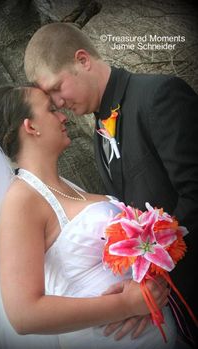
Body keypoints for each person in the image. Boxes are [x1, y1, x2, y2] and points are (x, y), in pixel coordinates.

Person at [23, 22, 198, 341]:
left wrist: (152, 273)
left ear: (83, 60)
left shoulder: (160, 95)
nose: (58, 103)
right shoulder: (99, 133)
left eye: (57, 88)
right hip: (175, 314)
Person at [0, 85, 177, 349]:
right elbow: (24, 314)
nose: (63, 116)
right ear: (31, 127)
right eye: (51, 110)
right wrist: (125, 305)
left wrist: (151, 289)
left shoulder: (68, 187)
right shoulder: (21, 200)